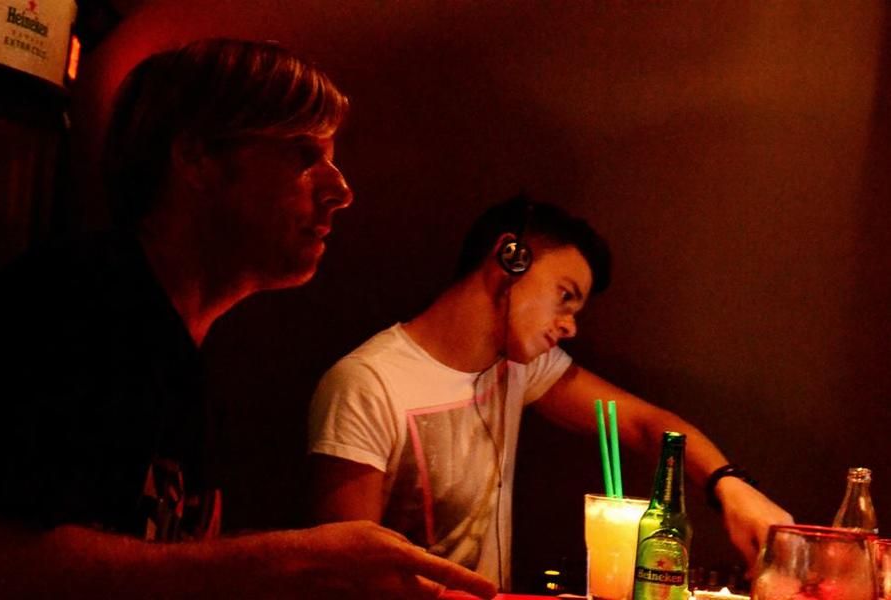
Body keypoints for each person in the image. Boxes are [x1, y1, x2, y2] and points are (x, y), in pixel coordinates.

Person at [0, 38, 496, 600]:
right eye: (303, 155)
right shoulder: (71, 307)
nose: (341, 190)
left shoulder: (181, 346)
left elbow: (152, 552)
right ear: (197, 159)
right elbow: (4, 561)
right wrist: (292, 562)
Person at [308, 195, 794, 589]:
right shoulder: (367, 384)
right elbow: (347, 573)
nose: (569, 326)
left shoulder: (521, 366)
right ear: (510, 257)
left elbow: (645, 425)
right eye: (565, 297)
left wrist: (730, 486)